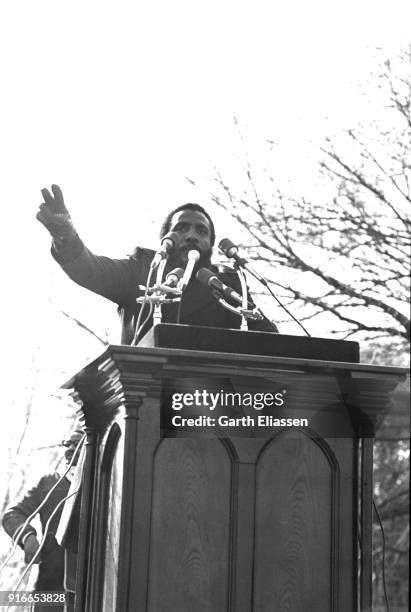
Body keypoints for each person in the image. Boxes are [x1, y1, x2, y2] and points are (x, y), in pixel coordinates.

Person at [36, 185, 278, 343]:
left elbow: (270, 341)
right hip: (142, 400)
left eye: (201, 230)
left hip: (209, 405)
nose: (192, 235)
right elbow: (90, 270)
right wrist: (65, 237)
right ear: (166, 239)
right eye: (181, 228)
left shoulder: (226, 284)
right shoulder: (142, 268)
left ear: (210, 244)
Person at [2, 430, 83, 612]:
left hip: (88, 585)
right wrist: (27, 538)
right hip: (48, 584)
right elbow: (12, 514)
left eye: (77, 444)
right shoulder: (48, 482)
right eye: (67, 444)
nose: (70, 449)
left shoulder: (101, 482)